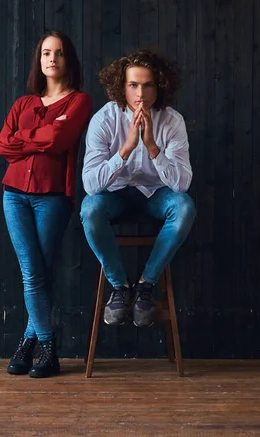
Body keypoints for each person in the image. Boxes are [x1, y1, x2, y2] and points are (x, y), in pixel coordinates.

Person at [0, 31, 92, 378]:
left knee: (39, 273)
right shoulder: (23, 104)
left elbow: (60, 139)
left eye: (60, 53)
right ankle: (45, 347)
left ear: (69, 60)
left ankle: (30, 345)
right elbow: (3, 146)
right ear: (39, 60)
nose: (52, 59)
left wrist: (28, 138)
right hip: (14, 195)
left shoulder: (79, 102)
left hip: (52, 199)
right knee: (32, 272)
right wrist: (40, 136)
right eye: (46, 53)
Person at [80, 49, 195, 329]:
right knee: (90, 208)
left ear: (160, 86)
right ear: (122, 87)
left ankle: (145, 285)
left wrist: (152, 146)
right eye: (133, 85)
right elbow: (91, 185)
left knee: (184, 207)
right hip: (115, 195)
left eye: (147, 85)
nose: (140, 94)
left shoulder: (172, 121)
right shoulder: (104, 120)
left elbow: (181, 185)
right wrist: (127, 147)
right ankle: (119, 287)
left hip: (155, 195)